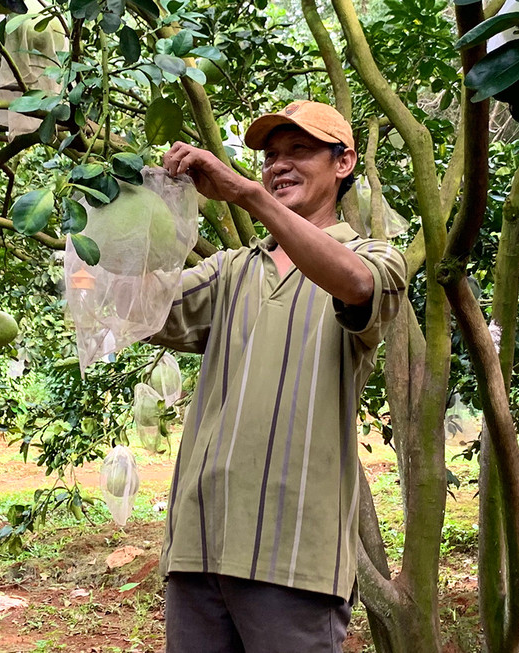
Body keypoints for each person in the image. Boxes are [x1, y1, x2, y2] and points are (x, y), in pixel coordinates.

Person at [153, 100, 407, 652]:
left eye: (299, 150)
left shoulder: (374, 258)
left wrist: (248, 194)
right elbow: (141, 307)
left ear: (344, 163)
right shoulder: (232, 269)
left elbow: (358, 286)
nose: (279, 164)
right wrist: (121, 207)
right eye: (271, 156)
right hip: (198, 546)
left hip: (295, 556)